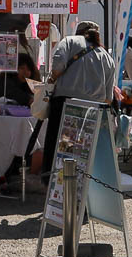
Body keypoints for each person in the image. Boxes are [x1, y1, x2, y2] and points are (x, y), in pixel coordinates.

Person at [44, 21, 117, 170]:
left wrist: (52, 79)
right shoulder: (107, 57)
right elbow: (108, 99)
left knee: (59, 145)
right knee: (83, 149)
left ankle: (52, 182)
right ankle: (81, 185)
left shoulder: (69, 41)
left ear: (79, 32)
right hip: (92, 110)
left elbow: (57, 67)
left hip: (65, 104)